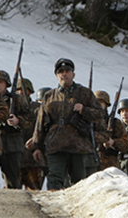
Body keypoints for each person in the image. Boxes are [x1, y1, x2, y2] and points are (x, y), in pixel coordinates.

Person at [30, 58, 105, 190]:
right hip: (55, 145)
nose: (64, 74)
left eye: (67, 71)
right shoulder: (49, 96)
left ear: (73, 74)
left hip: (78, 146)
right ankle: (52, 208)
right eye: (61, 72)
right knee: (54, 178)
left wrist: (84, 110)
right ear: (57, 75)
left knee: (78, 183)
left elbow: (100, 113)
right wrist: (37, 145)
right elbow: (40, 123)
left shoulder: (85, 93)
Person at [0, 70, 28, 189]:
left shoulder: (17, 99)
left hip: (12, 143)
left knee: (13, 181)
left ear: (6, 84)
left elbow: (29, 118)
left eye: (1, 82)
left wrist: (18, 121)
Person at [17, 78, 45, 190]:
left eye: (24, 89)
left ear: (30, 92)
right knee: (12, 191)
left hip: (33, 157)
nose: (20, 92)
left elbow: (42, 128)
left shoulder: (37, 108)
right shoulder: (11, 107)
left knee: (35, 191)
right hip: (16, 154)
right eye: (18, 89)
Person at [93, 90, 128, 171]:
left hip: (110, 167)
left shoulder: (115, 123)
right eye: (96, 102)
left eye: (101, 103)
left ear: (106, 105)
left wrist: (113, 142)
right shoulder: (86, 121)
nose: (98, 105)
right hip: (89, 164)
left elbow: (127, 144)